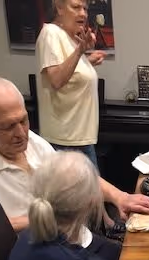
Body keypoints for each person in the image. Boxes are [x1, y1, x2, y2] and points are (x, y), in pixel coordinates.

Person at [0, 76, 149, 260]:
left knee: (144, 259)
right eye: (7, 127)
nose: (20, 133)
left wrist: (120, 196)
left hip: (77, 238)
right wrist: (46, 217)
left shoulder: (33, 142)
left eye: (23, 121)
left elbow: (77, 175)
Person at [35, 0, 105, 167]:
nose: (83, 13)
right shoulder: (50, 33)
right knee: (89, 193)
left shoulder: (69, 38)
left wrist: (86, 61)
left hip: (79, 139)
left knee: (92, 192)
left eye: (85, 8)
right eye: (75, 7)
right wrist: (80, 51)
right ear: (59, 8)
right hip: (65, 142)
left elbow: (69, 74)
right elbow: (57, 79)